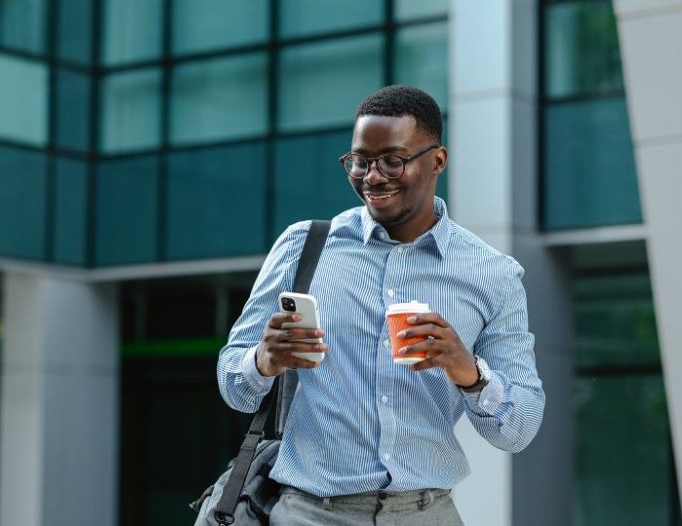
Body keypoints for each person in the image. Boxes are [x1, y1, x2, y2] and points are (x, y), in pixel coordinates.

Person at [217, 85, 545, 525]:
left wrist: (469, 372)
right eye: (360, 161)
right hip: (310, 513)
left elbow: (520, 430)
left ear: (438, 160)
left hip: (427, 514)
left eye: (393, 160)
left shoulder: (492, 274)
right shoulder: (304, 246)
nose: (372, 177)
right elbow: (233, 386)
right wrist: (262, 361)